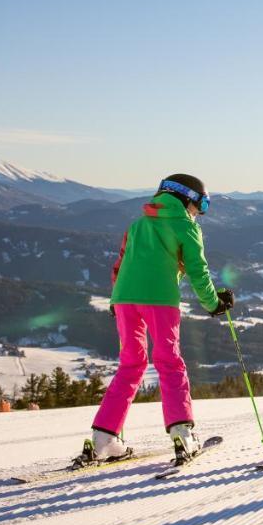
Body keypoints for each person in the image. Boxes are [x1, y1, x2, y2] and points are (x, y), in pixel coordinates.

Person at [82, 174, 234, 466]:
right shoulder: (186, 227)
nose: (197, 213)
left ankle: (104, 439)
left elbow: (121, 262)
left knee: (131, 364)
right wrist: (214, 303)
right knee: (169, 361)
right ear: (186, 199)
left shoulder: (137, 224)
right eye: (199, 205)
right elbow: (198, 271)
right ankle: (182, 434)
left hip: (125, 299)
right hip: (160, 300)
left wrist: (118, 297)